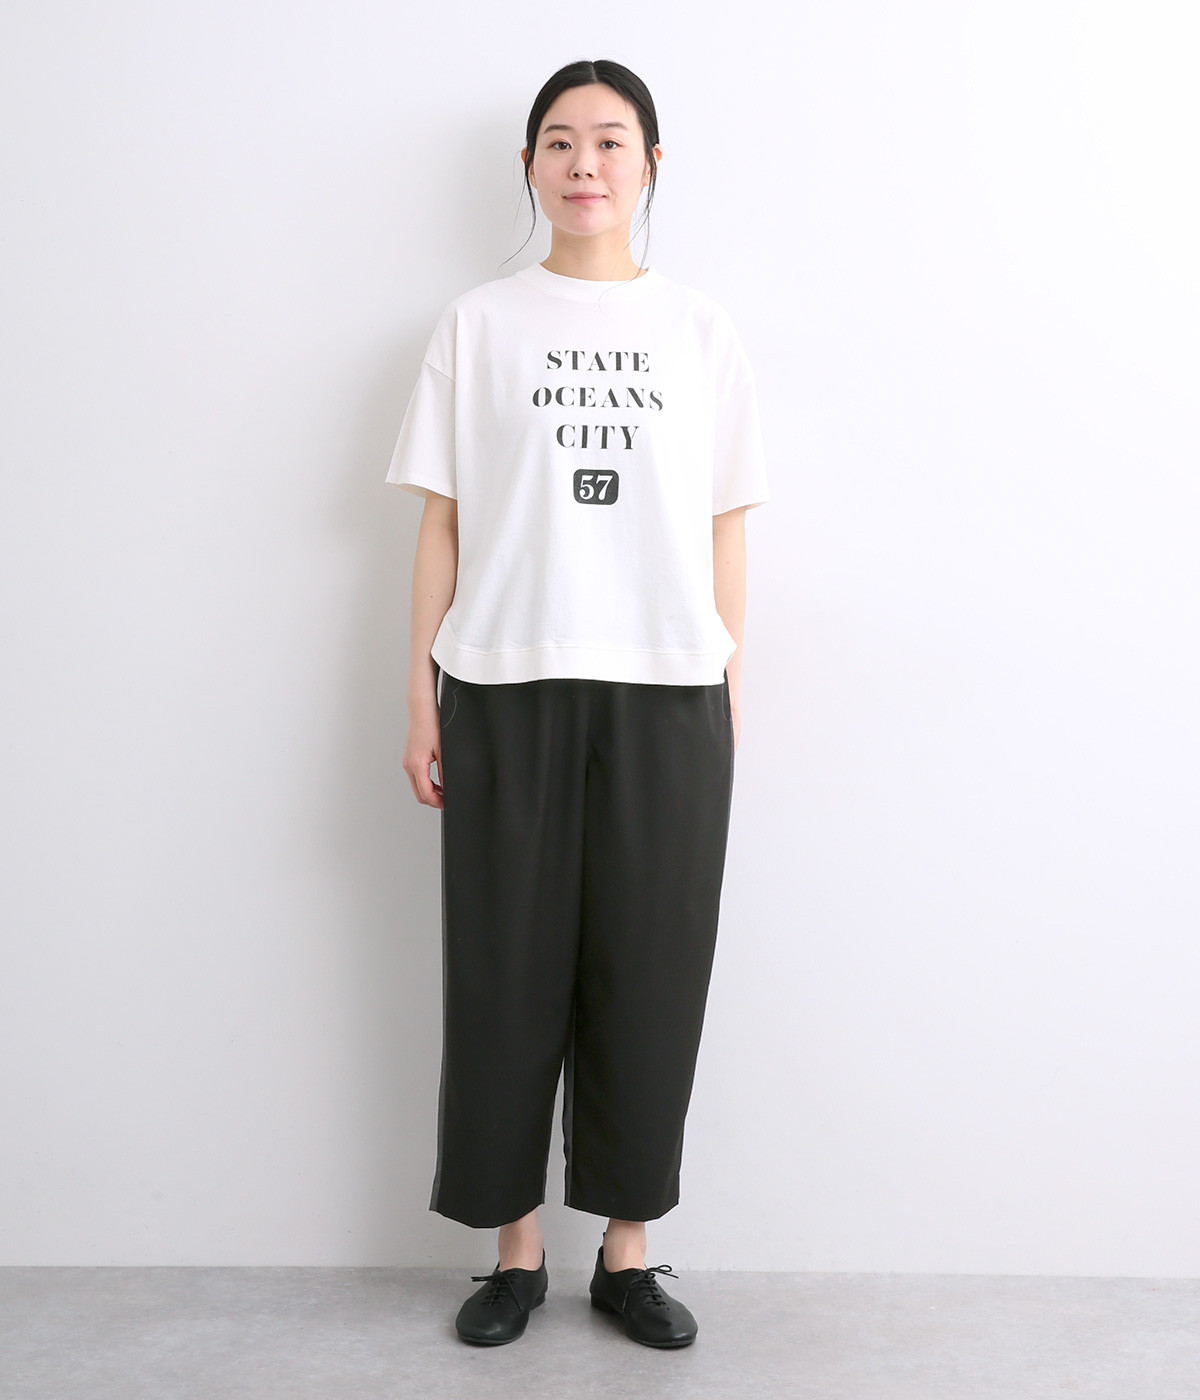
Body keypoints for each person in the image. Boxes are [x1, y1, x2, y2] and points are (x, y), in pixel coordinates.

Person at [385, 58, 769, 1349]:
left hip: (669, 688)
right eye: (560, 141)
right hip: (504, 679)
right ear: (531, 167)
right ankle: (513, 1254)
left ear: (652, 164)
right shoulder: (478, 325)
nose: (585, 163)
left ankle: (628, 1252)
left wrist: (727, 684)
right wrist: (421, 694)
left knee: (650, 971)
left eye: (611, 140)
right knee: (504, 968)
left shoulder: (700, 330)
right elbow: (441, 525)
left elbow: (725, 525)